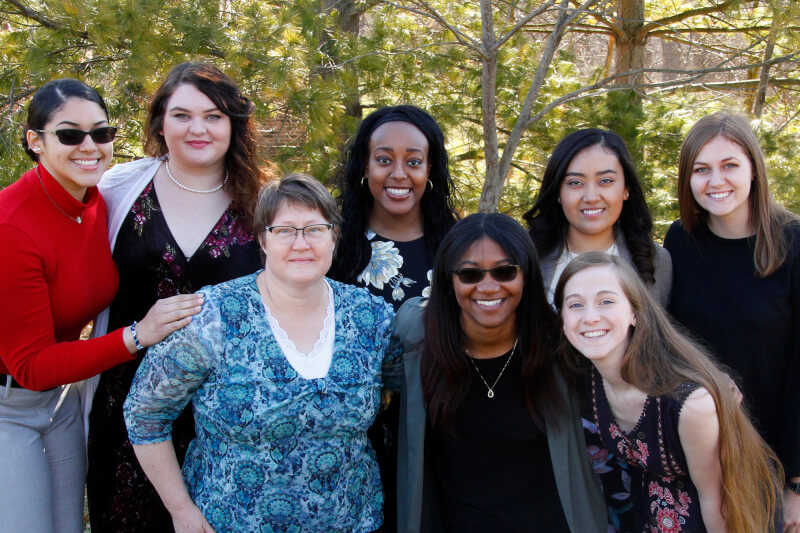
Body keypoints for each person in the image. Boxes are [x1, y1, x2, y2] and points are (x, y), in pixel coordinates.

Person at [124, 174, 400, 533]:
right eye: (284, 230)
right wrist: (181, 510)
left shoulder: (370, 318)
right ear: (262, 240)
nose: (301, 243)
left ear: (334, 236)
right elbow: (145, 414)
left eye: (315, 229)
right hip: (229, 523)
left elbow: (414, 389)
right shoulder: (213, 317)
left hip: (351, 522)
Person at [0, 79, 201, 533]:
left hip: (62, 398)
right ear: (36, 141)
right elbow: (30, 365)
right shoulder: (12, 226)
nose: (89, 147)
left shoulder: (98, 199)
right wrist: (137, 336)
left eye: (102, 133)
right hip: (8, 404)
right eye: (70, 135)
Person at [87, 62, 265, 531]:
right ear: (160, 123)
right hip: (124, 406)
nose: (198, 128)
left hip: (226, 419)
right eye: (182, 115)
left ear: (234, 125)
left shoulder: (264, 202)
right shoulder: (115, 189)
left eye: (214, 116)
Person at [392, 213, 606, 533]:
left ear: (527, 276)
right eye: (469, 274)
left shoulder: (560, 346)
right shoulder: (419, 341)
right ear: (449, 281)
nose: (488, 287)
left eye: (505, 271)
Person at [554, 252, 782, 532]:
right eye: (575, 305)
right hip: (646, 515)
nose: (590, 317)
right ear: (563, 320)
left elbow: (719, 501)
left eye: (606, 301)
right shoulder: (587, 377)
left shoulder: (690, 404)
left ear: (635, 313)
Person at [664, 111, 800, 531]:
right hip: (696, 456)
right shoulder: (680, 242)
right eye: (701, 169)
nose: (715, 181)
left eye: (729, 166)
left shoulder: (793, 243)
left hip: (771, 462)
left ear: (755, 171)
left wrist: (796, 485)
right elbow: (671, 342)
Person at [328, 104, 459, 530]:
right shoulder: (330, 245)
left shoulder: (457, 249)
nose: (399, 174)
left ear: (431, 170)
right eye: (384, 160)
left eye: (414, 162)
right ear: (364, 166)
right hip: (349, 442)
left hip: (438, 434)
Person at [523, 128, 671, 306]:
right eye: (575, 183)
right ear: (558, 193)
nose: (591, 197)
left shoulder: (656, 261)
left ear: (626, 189)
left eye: (606, 181)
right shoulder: (527, 259)